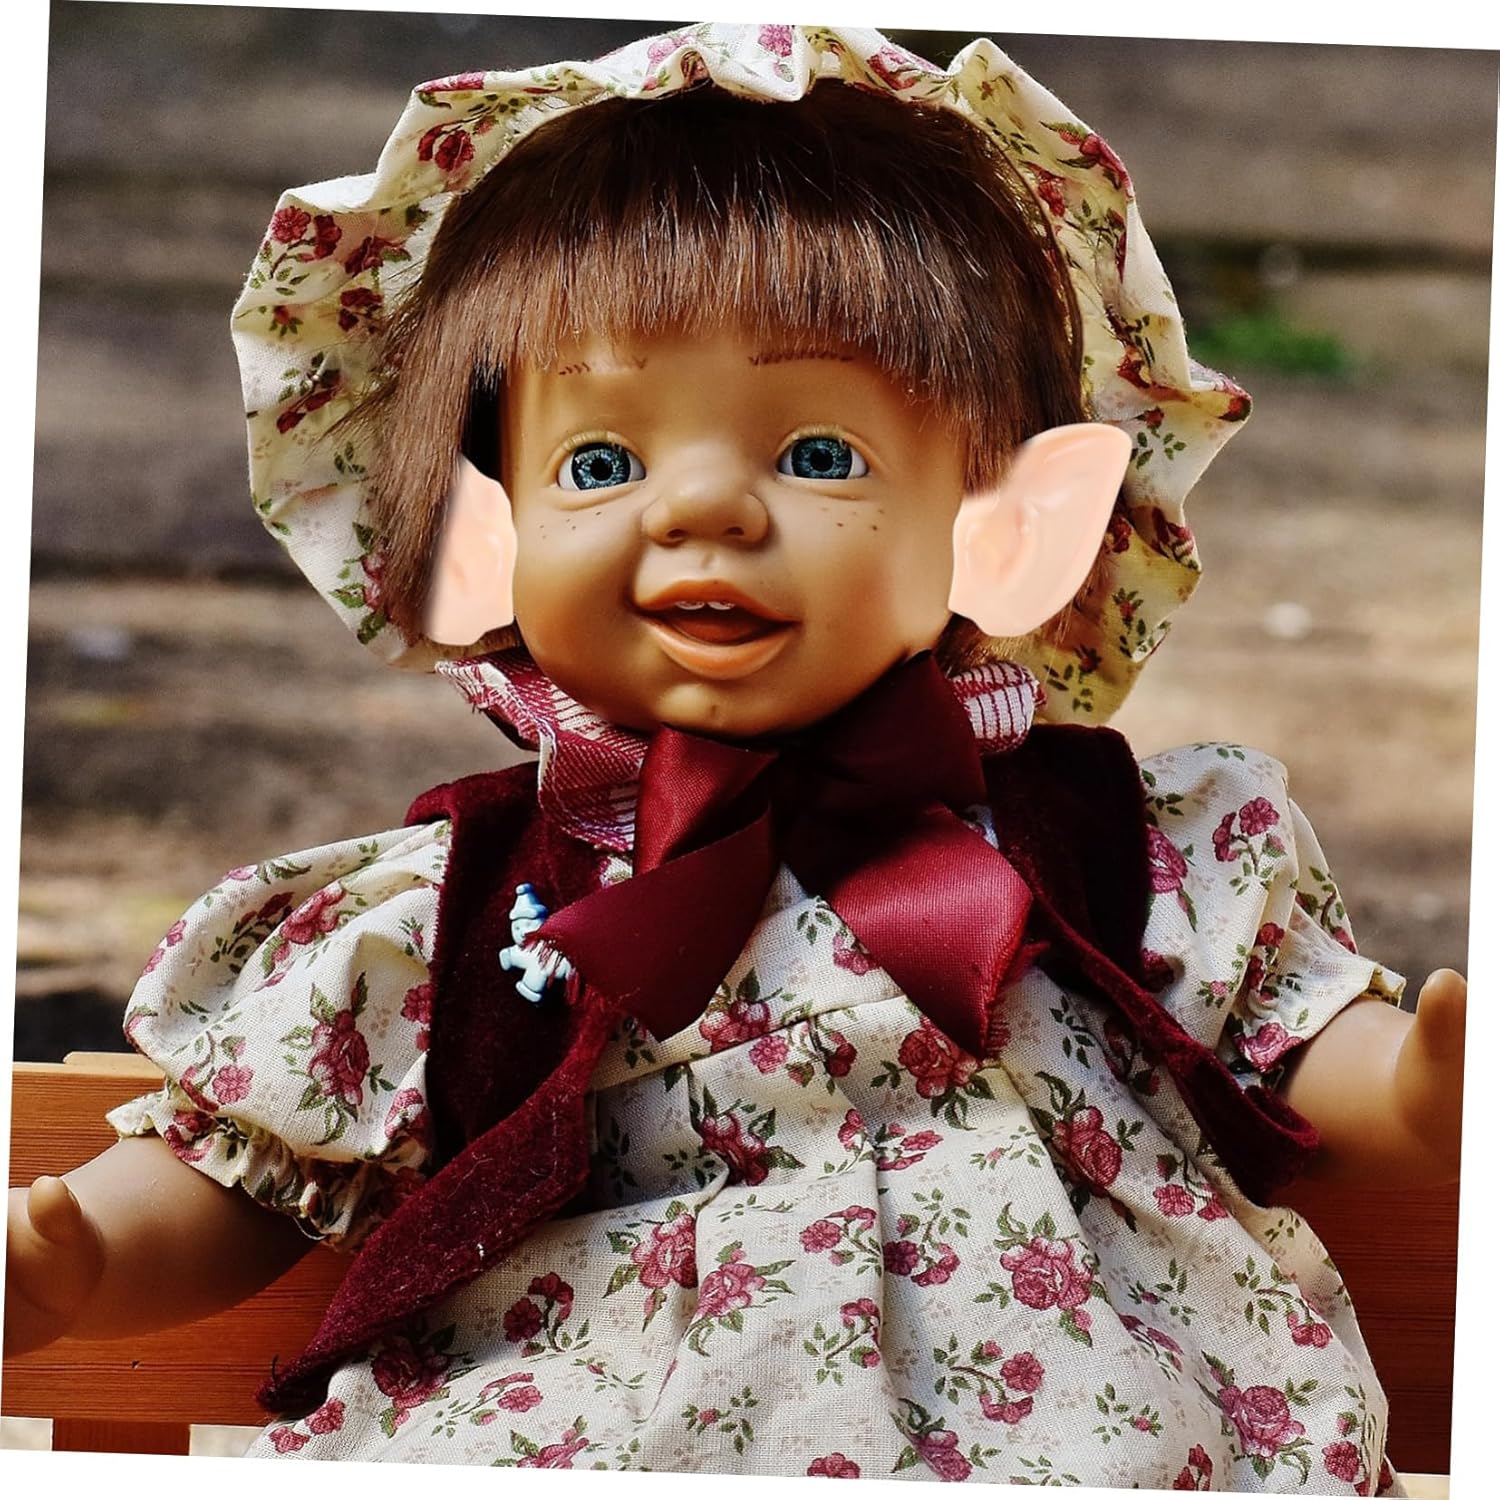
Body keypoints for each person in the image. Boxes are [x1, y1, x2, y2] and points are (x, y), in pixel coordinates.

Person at [5, 23, 1464, 1490]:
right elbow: (251, 1171)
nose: (700, 509)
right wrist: (79, 1254)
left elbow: (1290, 1045)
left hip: (1076, 1435)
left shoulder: (1112, 847)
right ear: (475, 537)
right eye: (599, 464)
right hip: (597, 1427)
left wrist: (1421, 1089)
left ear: (1011, 528)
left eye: (819, 454)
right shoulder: (467, 911)